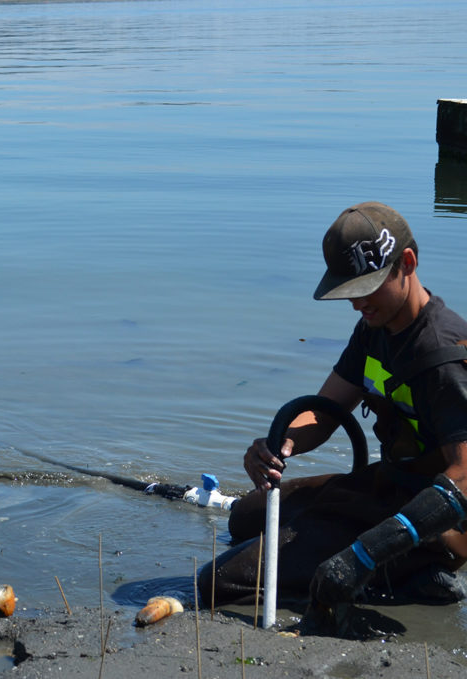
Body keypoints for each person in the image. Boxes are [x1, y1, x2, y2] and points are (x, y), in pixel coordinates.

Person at [198, 201, 467, 613]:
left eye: (366, 288)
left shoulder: (444, 357)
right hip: (387, 487)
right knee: (246, 517)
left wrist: (364, 555)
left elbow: (464, 478)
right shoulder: (375, 329)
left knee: (217, 583)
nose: (357, 303)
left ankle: (418, 573)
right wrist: (280, 444)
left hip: (436, 525)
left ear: (407, 263)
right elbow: (324, 412)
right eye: (349, 291)